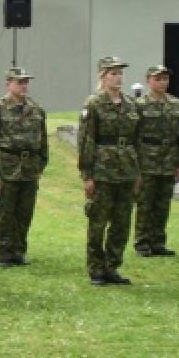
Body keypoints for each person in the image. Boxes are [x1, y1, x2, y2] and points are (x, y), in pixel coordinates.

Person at [77, 56, 141, 285]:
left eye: (120, 73)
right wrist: (87, 175)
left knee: (122, 222)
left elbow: (137, 140)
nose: (118, 77)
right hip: (102, 170)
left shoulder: (131, 104)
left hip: (126, 170)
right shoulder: (94, 104)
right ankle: (96, 268)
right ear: (102, 76)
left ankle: (112, 266)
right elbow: (86, 140)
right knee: (98, 221)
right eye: (113, 73)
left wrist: (138, 173)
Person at [0, 66, 47, 266]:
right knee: (6, 212)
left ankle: (19, 251)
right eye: (19, 82)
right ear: (8, 84)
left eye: (25, 82)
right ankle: (4, 252)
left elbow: (43, 141)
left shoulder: (36, 109)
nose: (23, 86)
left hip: (29, 167)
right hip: (7, 166)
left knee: (25, 212)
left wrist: (41, 165)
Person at [133, 64, 179, 257]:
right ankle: (142, 242)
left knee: (163, 204)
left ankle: (158, 242)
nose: (162, 82)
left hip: (169, 160)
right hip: (147, 160)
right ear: (149, 81)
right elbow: (134, 136)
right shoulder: (139, 105)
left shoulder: (177, 105)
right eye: (158, 78)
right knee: (145, 203)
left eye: (165, 78)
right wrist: (136, 165)